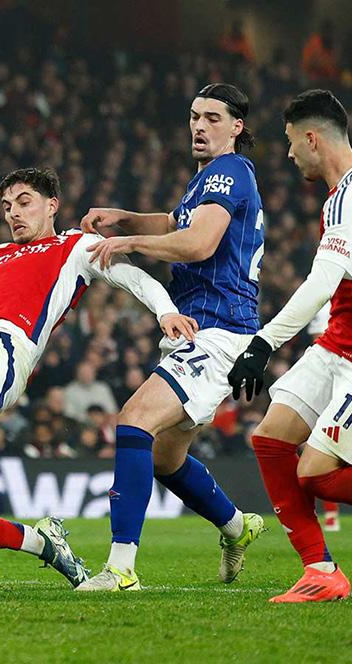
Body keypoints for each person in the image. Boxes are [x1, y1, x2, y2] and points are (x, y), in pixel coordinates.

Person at [0, 158, 197, 588]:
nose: (13, 213)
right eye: (7, 206)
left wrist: (165, 311)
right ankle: (41, 543)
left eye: (24, 202)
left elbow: (133, 277)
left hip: (8, 342)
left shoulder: (74, 246)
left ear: (52, 205)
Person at [77, 84, 265, 591]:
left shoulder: (230, 171)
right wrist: (128, 217)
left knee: (134, 420)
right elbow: (177, 222)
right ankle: (237, 526)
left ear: (236, 127)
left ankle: (120, 568)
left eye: (212, 118)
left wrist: (130, 241)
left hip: (218, 329)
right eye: (194, 116)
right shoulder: (207, 179)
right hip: (200, 325)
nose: (199, 126)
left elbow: (198, 243)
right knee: (164, 458)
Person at [228, 89, 352, 602]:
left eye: (290, 142)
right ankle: (321, 572)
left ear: (311, 138)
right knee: (271, 439)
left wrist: (263, 343)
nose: (288, 153)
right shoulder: (338, 196)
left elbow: (321, 283)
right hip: (337, 344)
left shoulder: (347, 198)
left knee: (316, 475)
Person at [307, 302, 341, 533]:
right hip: (332, 381)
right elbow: (318, 340)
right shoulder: (324, 303)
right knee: (326, 445)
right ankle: (330, 513)